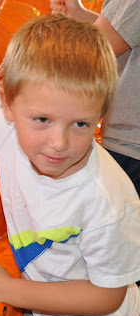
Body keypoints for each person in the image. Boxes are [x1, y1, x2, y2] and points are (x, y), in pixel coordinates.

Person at [0, 14, 140, 316]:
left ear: (101, 114)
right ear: (8, 105)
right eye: (42, 120)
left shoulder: (109, 200)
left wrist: (10, 290)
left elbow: (108, 295)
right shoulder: (4, 124)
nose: (59, 143)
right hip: (40, 306)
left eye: (80, 124)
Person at [48, 0, 140, 196]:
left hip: (130, 150)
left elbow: (87, 55)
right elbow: (126, 31)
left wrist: (27, 57)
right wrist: (81, 17)